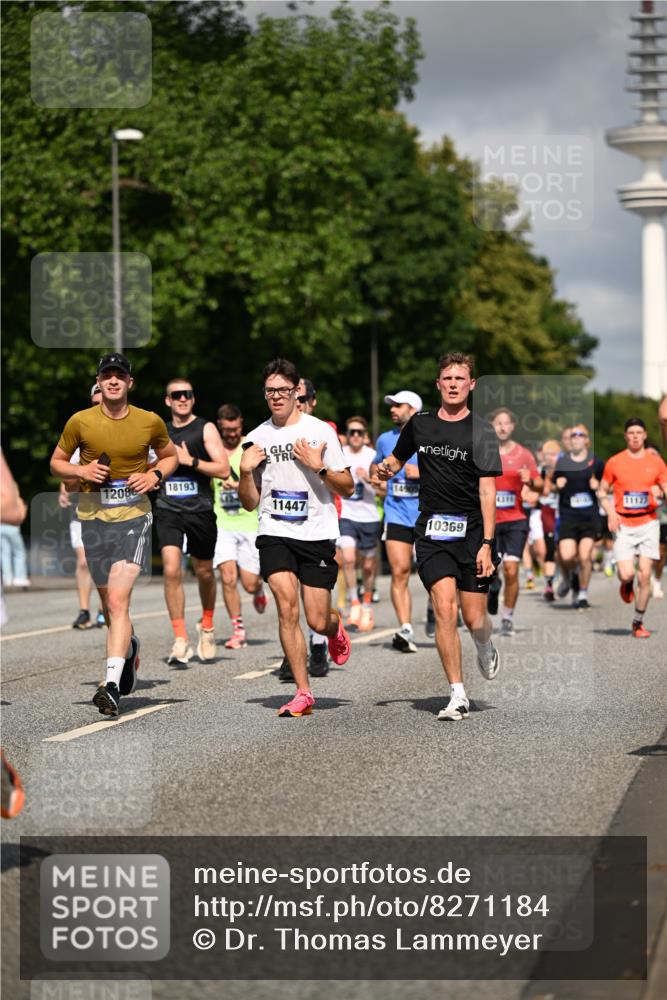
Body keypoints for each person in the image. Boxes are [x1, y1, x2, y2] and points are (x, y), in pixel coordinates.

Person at [50, 353, 178, 716]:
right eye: (107, 375)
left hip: (134, 518)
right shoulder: (80, 421)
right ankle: (130, 649)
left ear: (129, 383)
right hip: (93, 519)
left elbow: (170, 457)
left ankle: (109, 685)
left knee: (118, 602)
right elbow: (56, 462)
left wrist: (154, 477)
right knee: (108, 602)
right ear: (99, 381)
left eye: (119, 375)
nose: (113, 380)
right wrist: (81, 471)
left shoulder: (149, 421)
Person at [376, 352, 502, 721]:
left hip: (472, 532)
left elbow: (488, 492)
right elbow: (397, 461)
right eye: (447, 378)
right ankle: (457, 694)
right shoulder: (421, 423)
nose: (452, 384)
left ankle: (484, 644)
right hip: (431, 530)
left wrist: (488, 544)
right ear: (437, 384)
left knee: (474, 617)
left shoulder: (482, 430)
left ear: (471, 385)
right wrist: (382, 471)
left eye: (460, 379)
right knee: (445, 608)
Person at [238, 358, 353, 717]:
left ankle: (334, 628)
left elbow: (347, 487)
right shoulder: (256, 438)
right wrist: (244, 473)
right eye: (270, 391)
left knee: (316, 619)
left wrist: (317, 465)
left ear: (296, 392)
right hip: (274, 530)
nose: (276, 397)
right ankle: (303, 692)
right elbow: (249, 503)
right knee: (286, 606)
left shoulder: (320, 432)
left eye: (283, 391)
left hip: (316, 532)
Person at [155, 378, 229, 665]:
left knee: (204, 571)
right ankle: (180, 638)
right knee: (172, 570)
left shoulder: (205, 428)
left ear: (193, 398)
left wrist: (190, 461)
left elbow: (222, 469)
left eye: (187, 394)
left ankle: (207, 625)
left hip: (199, 509)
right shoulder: (158, 430)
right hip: (168, 508)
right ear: (168, 400)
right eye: (176, 395)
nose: (182, 399)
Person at [598, 417, 667, 638]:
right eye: (631, 432)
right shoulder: (614, 462)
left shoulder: (656, 462)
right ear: (626, 436)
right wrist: (610, 512)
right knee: (627, 574)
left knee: (645, 575)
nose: (635, 436)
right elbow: (601, 491)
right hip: (623, 524)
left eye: (639, 432)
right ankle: (626, 583)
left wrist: (662, 492)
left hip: (648, 522)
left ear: (645, 435)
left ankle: (638, 622)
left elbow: (666, 488)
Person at [371, 390, 423, 651]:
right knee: (400, 570)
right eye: (390, 405)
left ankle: (439, 610)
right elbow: (375, 470)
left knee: (434, 574)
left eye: (398, 405)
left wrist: (421, 472)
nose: (392, 409)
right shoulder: (384, 440)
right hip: (397, 514)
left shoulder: (430, 437)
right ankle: (406, 629)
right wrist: (377, 478)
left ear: (413, 409)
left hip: (429, 515)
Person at [213, 403, 268, 650]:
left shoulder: (250, 447)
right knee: (227, 576)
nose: (232, 434)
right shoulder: (213, 449)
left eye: (235, 429)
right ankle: (238, 629)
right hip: (221, 522)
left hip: (249, 522)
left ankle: (258, 591)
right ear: (220, 428)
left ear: (241, 424)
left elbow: (265, 483)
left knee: (248, 583)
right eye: (227, 430)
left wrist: (240, 486)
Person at [487, 409, 541, 635]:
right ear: (491, 426)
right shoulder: (483, 452)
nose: (502, 427)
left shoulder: (524, 454)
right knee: (489, 571)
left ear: (512, 427)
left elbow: (540, 486)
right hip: (488, 520)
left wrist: (532, 483)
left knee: (511, 569)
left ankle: (507, 617)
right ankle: (492, 586)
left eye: (506, 423)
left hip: (515, 520)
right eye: (497, 423)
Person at [59, 383, 106, 629]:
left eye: (103, 402)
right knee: (83, 561)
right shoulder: (80, 432)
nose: (99, 407)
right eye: (95, 403)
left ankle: (103, 610)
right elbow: (66, 469)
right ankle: (84, 610)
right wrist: (66, 487)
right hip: (82, 510)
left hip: (110, 509)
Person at [547, 424, 604, 610]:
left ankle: (582, 593)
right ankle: (570, 576)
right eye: (573, 435)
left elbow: (608, 485)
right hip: (568, 516)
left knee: (585, 556)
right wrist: (558, 485)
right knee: (566, 555)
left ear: (587, 440)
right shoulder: (563, 463)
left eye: (581, 435)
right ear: (570, 440)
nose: (577, 437)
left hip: (589, 518)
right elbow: (551, 485)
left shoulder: (596, 462)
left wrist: (599, 485)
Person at [337, 416, 381, 632]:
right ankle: (353, 602)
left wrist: (367, 480)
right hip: (346, 515)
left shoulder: (372, 456)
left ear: (365, 437)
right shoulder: (340, 454)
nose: (355, 436)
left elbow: (383, 491)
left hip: (370, 517)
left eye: (360, 433)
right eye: (352, 432)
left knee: (367, 565)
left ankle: (367, 603)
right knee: (348, 557)